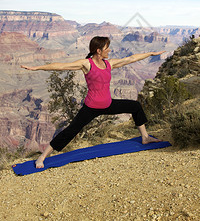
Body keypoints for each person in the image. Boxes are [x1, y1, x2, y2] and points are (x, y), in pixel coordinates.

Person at [21, 36, 165, 168]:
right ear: (98, 50)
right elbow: (61, 66)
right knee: (71, 130)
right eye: (107, 48)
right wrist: (36, 67)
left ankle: (145, 138)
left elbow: (131, 58)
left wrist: (151, 54)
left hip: (108, 104)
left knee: (135, 106)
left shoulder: (109, 64)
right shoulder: (86, 64)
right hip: (91, 108)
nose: (109, 50)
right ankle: (42, 157)